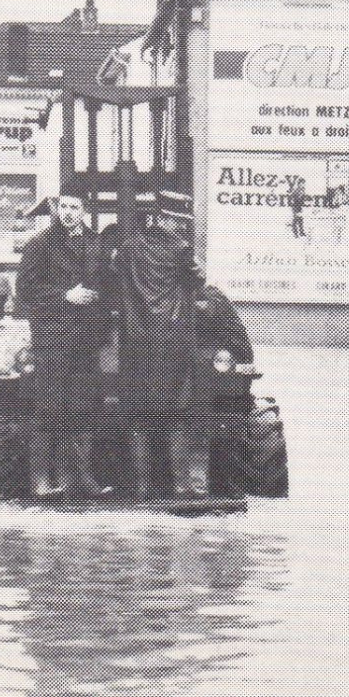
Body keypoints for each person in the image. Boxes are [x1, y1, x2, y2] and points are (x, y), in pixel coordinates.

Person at [110, 194, 209, 498]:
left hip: (137, 343)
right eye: (178, 221)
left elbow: (114, 277)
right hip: (173, 343)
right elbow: (199, 281)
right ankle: (179, 484)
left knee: (139, 414)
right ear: (166, 219)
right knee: (176, 412)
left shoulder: (128, 249)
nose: (179, 226)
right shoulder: (181, 250)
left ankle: (140, 488)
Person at [16, 192, 109, 499]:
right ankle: (42, 480)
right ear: (57, 209)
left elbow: (106, 284)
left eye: (75, 207)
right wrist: (65, 296)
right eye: (64, 207)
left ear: (84, 210)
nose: (69, 213)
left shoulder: (97, 244)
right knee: (48, 406)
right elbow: (26, 292)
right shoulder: (40, 244)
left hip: (87, 338)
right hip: (53, 338)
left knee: (83, 406)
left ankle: (81, 479)